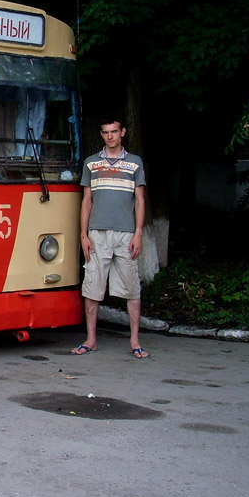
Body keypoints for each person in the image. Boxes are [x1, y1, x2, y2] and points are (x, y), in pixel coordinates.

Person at [71, 115, 150, 358]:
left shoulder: (134, 163)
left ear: (123, 132)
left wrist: (138, 234)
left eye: (114, 131)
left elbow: (139, 200)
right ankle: (91, 339)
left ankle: (135, 341)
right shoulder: (91, 163)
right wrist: (83, 235)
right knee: (92, 286)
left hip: (126, 234)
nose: (110, 136)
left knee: (131, 289)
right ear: (102, 134)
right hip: (97, 234)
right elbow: (86, 201)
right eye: (106, 132)